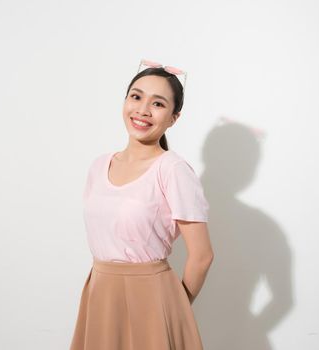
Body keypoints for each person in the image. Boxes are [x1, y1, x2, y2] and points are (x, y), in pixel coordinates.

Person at [70, 59, 214, 350]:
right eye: (136, 97)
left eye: (158, 103)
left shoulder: (172, 169)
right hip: (100, 291)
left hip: (152, 296)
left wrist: (173, 309)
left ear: (175, 117)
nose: (143, 110)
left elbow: (202, 256)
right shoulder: (99, 166)